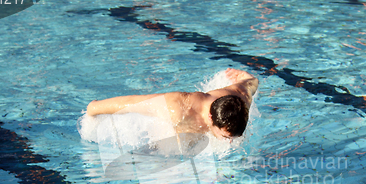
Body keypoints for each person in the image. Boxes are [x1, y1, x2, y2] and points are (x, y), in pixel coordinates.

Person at [86, 68, 259, 142]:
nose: (229, 144)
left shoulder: (242, 98)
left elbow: (252, 82)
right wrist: (95, 108)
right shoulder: (179, 107)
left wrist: (245, 76)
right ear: (209, 118)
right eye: (226, 138)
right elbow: (132, 103)